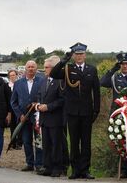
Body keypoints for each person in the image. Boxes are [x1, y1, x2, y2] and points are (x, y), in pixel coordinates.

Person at [50, 42, 100, 179]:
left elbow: (96, 91)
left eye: (81, 54)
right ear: (74, 56)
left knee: (86, 142)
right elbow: (54, 74)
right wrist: (63, 60)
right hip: (72, 112)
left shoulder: (91, 69)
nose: (79, 56)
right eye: (76, 54)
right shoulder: (68, 69)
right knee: (74, 142)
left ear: (85, 55)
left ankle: (85, 170)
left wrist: (96, 110)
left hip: (87, 112)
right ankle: (75, 170)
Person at [100, 52, 127, 178]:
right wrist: (113, 69)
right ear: (119, 65)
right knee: (121, 141)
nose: (125, 66)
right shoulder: (115, 78)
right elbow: (103, 82)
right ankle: (124, 170)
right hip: (119, 114)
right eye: (122, 64)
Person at [11, 60, 43, 171]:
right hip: (23, 118)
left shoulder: (42, 81)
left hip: (38, 117)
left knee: (39, 141)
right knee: (26, 141)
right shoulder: (18, 83)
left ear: (36, 68)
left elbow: (44, 98)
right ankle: (30, 163)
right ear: (25, 69)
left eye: (33, 67)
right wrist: (19, 115)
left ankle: (39, 164)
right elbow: (13, 102)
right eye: (28, 67)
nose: (30, 69)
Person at [36, 56, 65, 177]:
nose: (45, 70)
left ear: (53, 68)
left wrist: (48, 107)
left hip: (55, 118)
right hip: (44, 119)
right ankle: (47, 166)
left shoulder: (60, 81)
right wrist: (38, 105)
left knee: (56, 144)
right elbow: (39, 96)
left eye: (47, 67)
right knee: (46, 144)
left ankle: (57, 167)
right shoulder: (43, 80)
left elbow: (62, 100)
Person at [7, 70, 22, 150]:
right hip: (10, 109)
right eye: (11, 75)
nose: (12, 76)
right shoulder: (7, 86)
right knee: (12, 126)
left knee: (19, 126)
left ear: (16, 75)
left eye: (14, 75)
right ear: (9, 77)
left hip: (19, 109)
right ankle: (13, 142)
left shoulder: (20, 85)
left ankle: (19, 143)